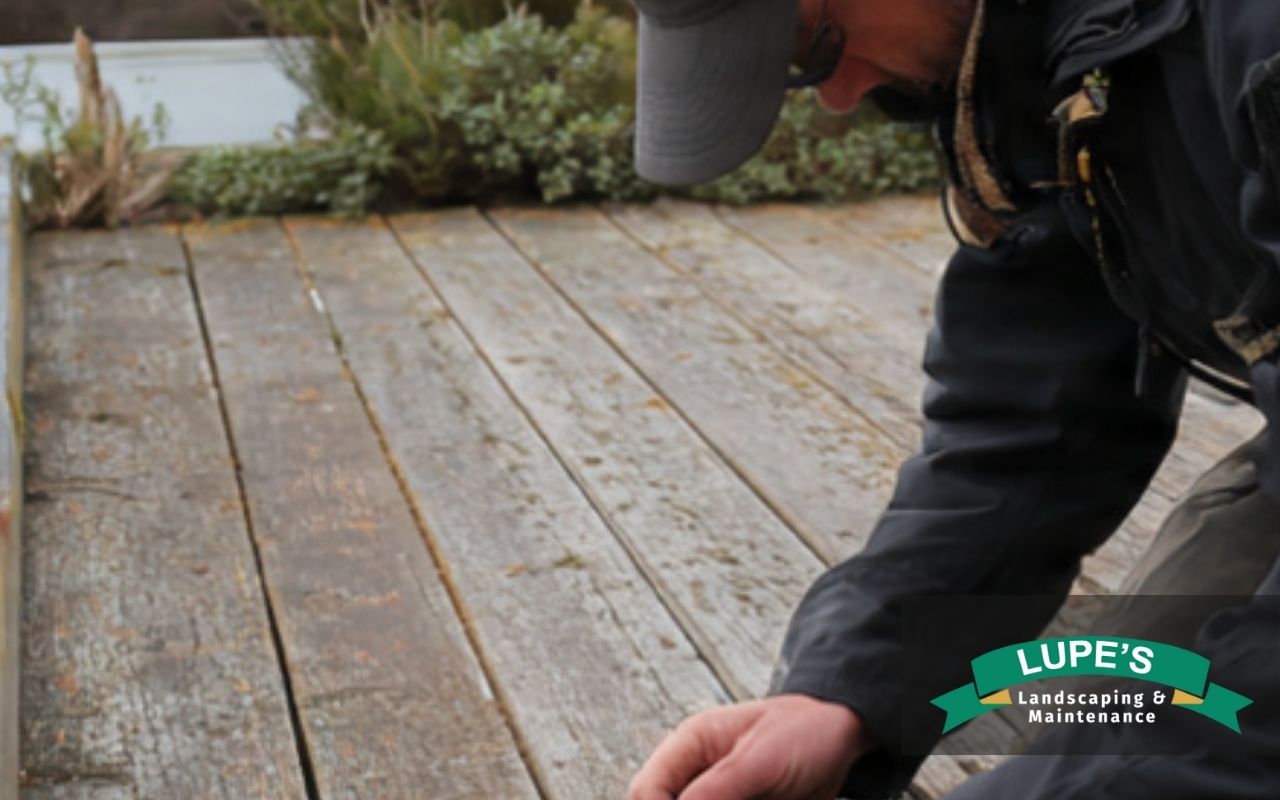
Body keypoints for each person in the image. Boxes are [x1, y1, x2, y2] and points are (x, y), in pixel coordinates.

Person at [624, 0, 1280, 798]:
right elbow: (1032, 424)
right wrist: (844, 692)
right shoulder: (1039, 64)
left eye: (816, 44)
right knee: (1130, 710)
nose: (835, 95)